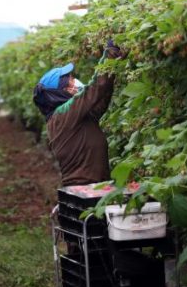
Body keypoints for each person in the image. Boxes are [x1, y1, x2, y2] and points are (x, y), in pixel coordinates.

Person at [33, 41, 125, 187]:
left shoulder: (67, 117)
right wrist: (110, 53)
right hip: (85, 189)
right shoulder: (63, 114)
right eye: (70, 80)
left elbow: (99, 102)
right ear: (61, 92)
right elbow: (95, 89)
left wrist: (111, 70)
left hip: (92, 186)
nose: (75, 82)